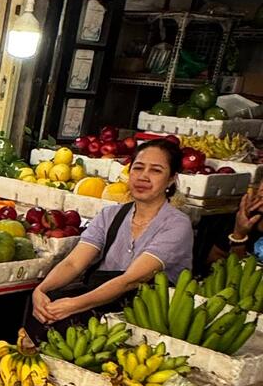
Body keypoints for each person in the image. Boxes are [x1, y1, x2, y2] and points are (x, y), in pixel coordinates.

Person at [28, 138, 193, 333]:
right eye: (138, 168)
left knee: (67, 321)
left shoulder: (177, 225)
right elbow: (74, 263)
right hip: (99, 302)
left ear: (172, 178)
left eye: (156, 170)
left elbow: (131, 280)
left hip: (143, 318)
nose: (143, 177)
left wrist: (74, 305)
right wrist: (41, 290)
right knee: (44, 311)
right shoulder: (110, 215)